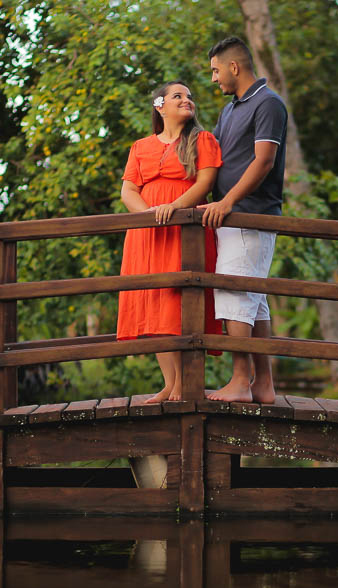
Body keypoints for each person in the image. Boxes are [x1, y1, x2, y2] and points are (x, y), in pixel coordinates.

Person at [118, 81, 224, 403]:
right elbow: (128, 191)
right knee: (153, 303)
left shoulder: (201, 140)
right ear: (159, 105)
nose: (187, 100)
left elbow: (205, 183)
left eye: (190, 97)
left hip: (184, 232)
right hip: (148, 234)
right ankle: (169, 383)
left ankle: (184, 384)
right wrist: (150, 216)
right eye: (178, 96)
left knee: (179, 302)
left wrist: (174, 209)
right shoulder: (140, 147)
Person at [201, 36, 288, 404]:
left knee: (236, 293)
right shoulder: (230, 110)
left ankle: (240, 381)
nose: (214, 78)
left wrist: (227, 201)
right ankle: (263, 385)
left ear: (234, 67)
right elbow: (217, 157)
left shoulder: (268, 104)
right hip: (233, 217)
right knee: (253, 299)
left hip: (250, 214)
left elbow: (264, 160)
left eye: (215, 70)